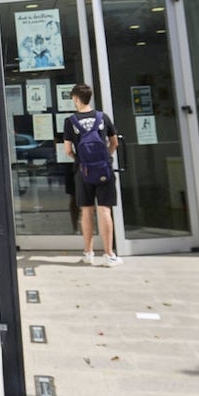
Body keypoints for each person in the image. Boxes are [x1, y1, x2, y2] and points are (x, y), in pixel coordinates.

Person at [63, 83, 122, 266]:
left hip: (83, 170)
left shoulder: (70, 121)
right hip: (103, 168)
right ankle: (109, 254)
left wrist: (79, 159)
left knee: (86, 211)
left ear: (76, 99)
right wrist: (105, 157)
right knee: (104, 210)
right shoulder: (102, 117)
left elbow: (67, 150)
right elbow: (114, 142)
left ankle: (88, 253)